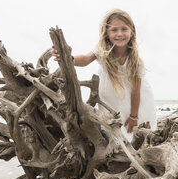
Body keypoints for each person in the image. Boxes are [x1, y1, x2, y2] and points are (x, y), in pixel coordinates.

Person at [52, 9, 156, 140]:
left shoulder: (134, 60)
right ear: (106, 33)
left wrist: (134, 116)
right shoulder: (102, 51)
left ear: (132, 31)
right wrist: (69, 58)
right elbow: (84, 59)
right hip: (111, 101)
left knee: (137, 133)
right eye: (114, 30)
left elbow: (136, 90)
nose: (120, 34)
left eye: (124, 29)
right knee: (114, 134)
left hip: (135, 103)